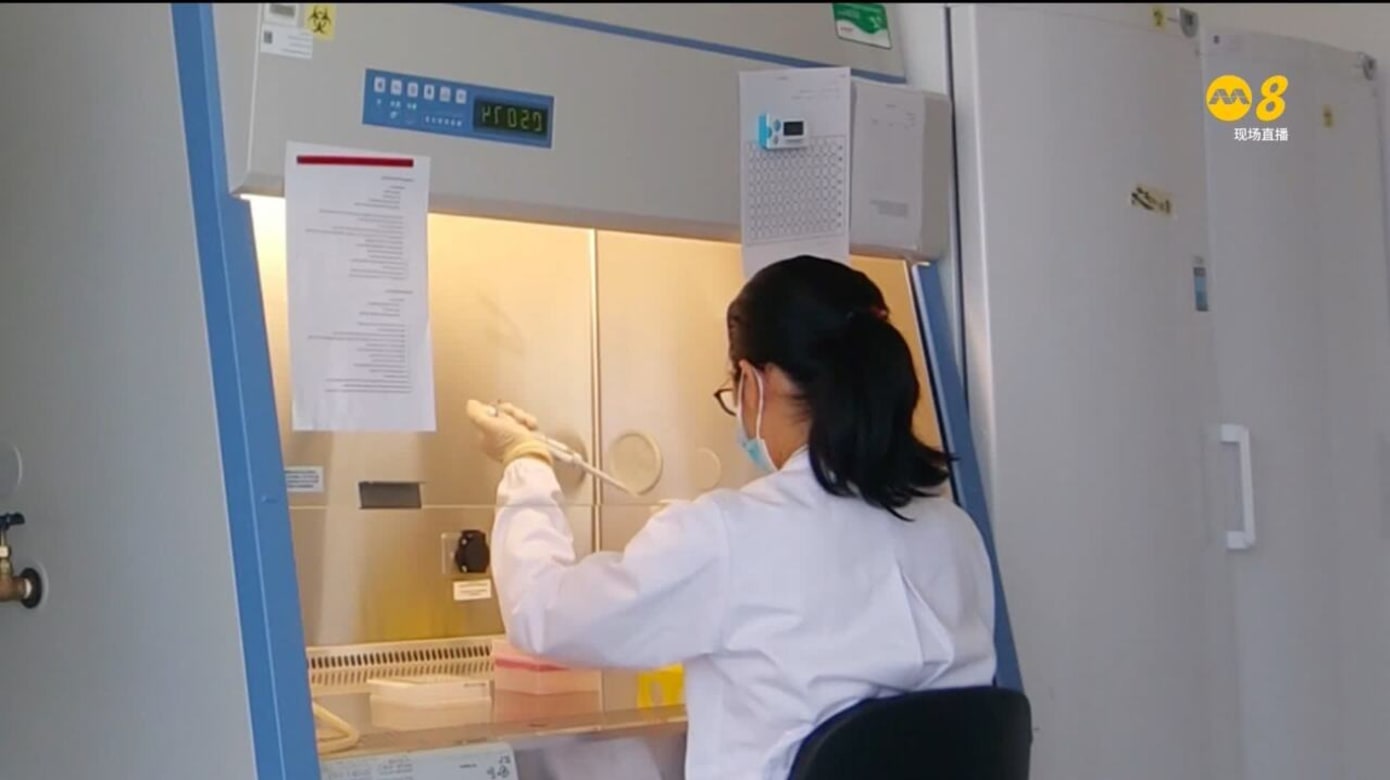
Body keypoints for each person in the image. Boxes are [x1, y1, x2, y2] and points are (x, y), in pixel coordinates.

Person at [466, 255, 997, 780]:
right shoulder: (954, 533)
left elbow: (543, 614)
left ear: (755, 382)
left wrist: (525, 462)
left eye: (734, 390)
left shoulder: (730, 536)